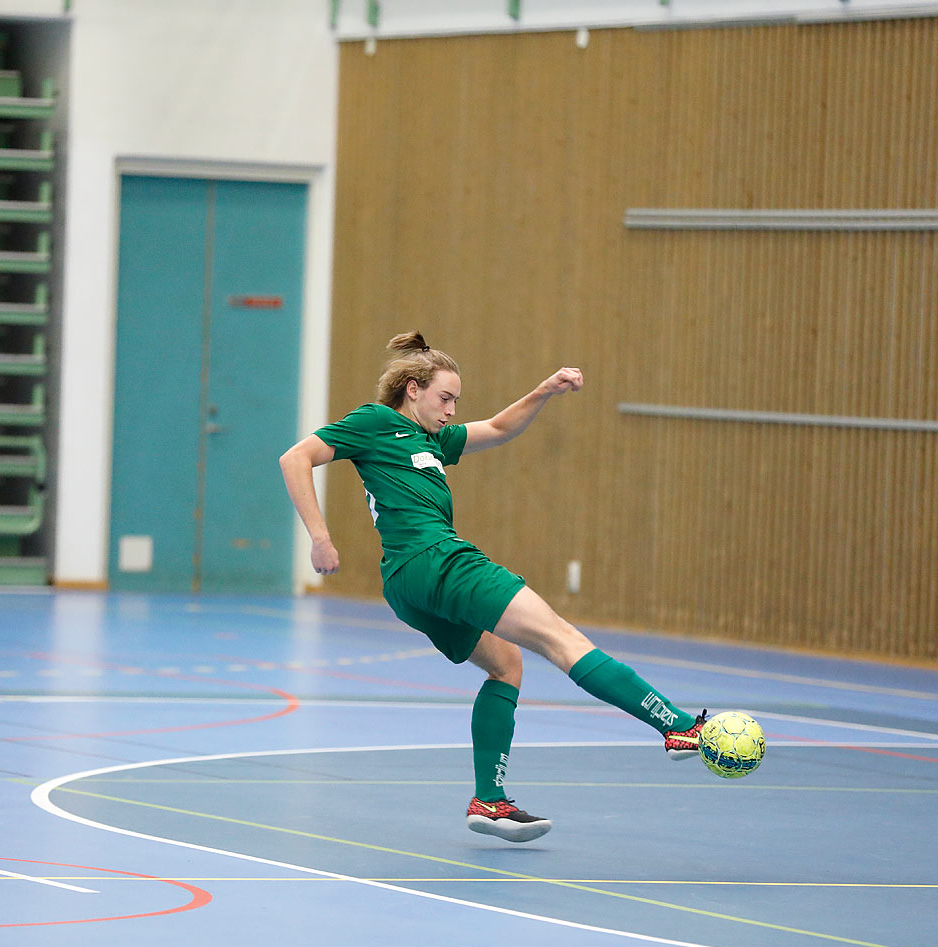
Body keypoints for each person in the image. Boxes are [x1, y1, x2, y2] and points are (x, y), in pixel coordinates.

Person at [279, 332, 707, 843]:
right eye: (445, 398)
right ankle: (679, 727)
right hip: (437, 560)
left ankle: (490, 801)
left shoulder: (434, 440)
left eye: (456, 401)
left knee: (506, 665)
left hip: (406, 584)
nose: (452, 410)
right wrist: (320, 538)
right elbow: (295, 458)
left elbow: (501, 428)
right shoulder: (376, 422)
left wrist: (544, 390)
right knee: (562, 638)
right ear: (412, 389)